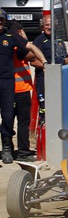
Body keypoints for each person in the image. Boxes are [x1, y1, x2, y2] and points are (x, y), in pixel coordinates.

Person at [8, 22, 44, 162]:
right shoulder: (19, 47)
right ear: (20, 31)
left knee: (8, 121)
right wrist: (25, 40)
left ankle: (9, 149)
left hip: (9, 90)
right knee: (23, 121)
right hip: (21, 89)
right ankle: (23, 151)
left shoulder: (8, 46)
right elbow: (33, 56)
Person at [0, 11, 33, 164]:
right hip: (17, 88)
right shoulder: (15, 45)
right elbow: (30, 55)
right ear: (19, 31)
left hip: (17, 88)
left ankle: (17, 149)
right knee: (15, 120)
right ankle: (14, 149)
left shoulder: (11, 41)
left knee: (12, 119)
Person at [31, 15, 68, 135]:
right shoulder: (39, 41)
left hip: (59, 78)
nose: (49, 27)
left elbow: (66, 57)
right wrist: (47, 67)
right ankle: (42, 136)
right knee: (45, 109)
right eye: (47, 25)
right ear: (43, 26)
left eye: (51, 24)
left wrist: (66, 61)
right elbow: (32, 61)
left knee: (59, 107)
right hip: (44, 80)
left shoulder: (59, 40)